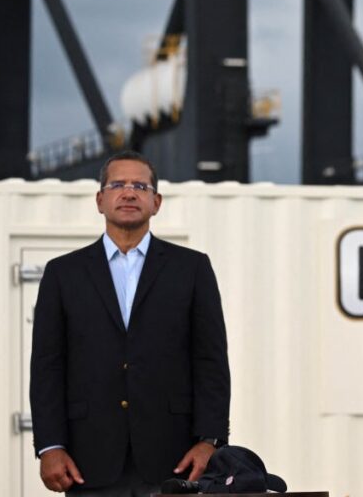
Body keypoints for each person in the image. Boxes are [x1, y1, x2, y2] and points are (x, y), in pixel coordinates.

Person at [30, 151, 231, 496]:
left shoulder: (192, 269)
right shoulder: (63, 274)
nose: (129, 192)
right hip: (86, 461)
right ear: (99, 200)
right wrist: (49, 446)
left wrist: (210, 440)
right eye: (117, 184)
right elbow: (47, 366)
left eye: (140, 185)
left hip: (176, 459)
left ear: (156, 201)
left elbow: (210, 361)